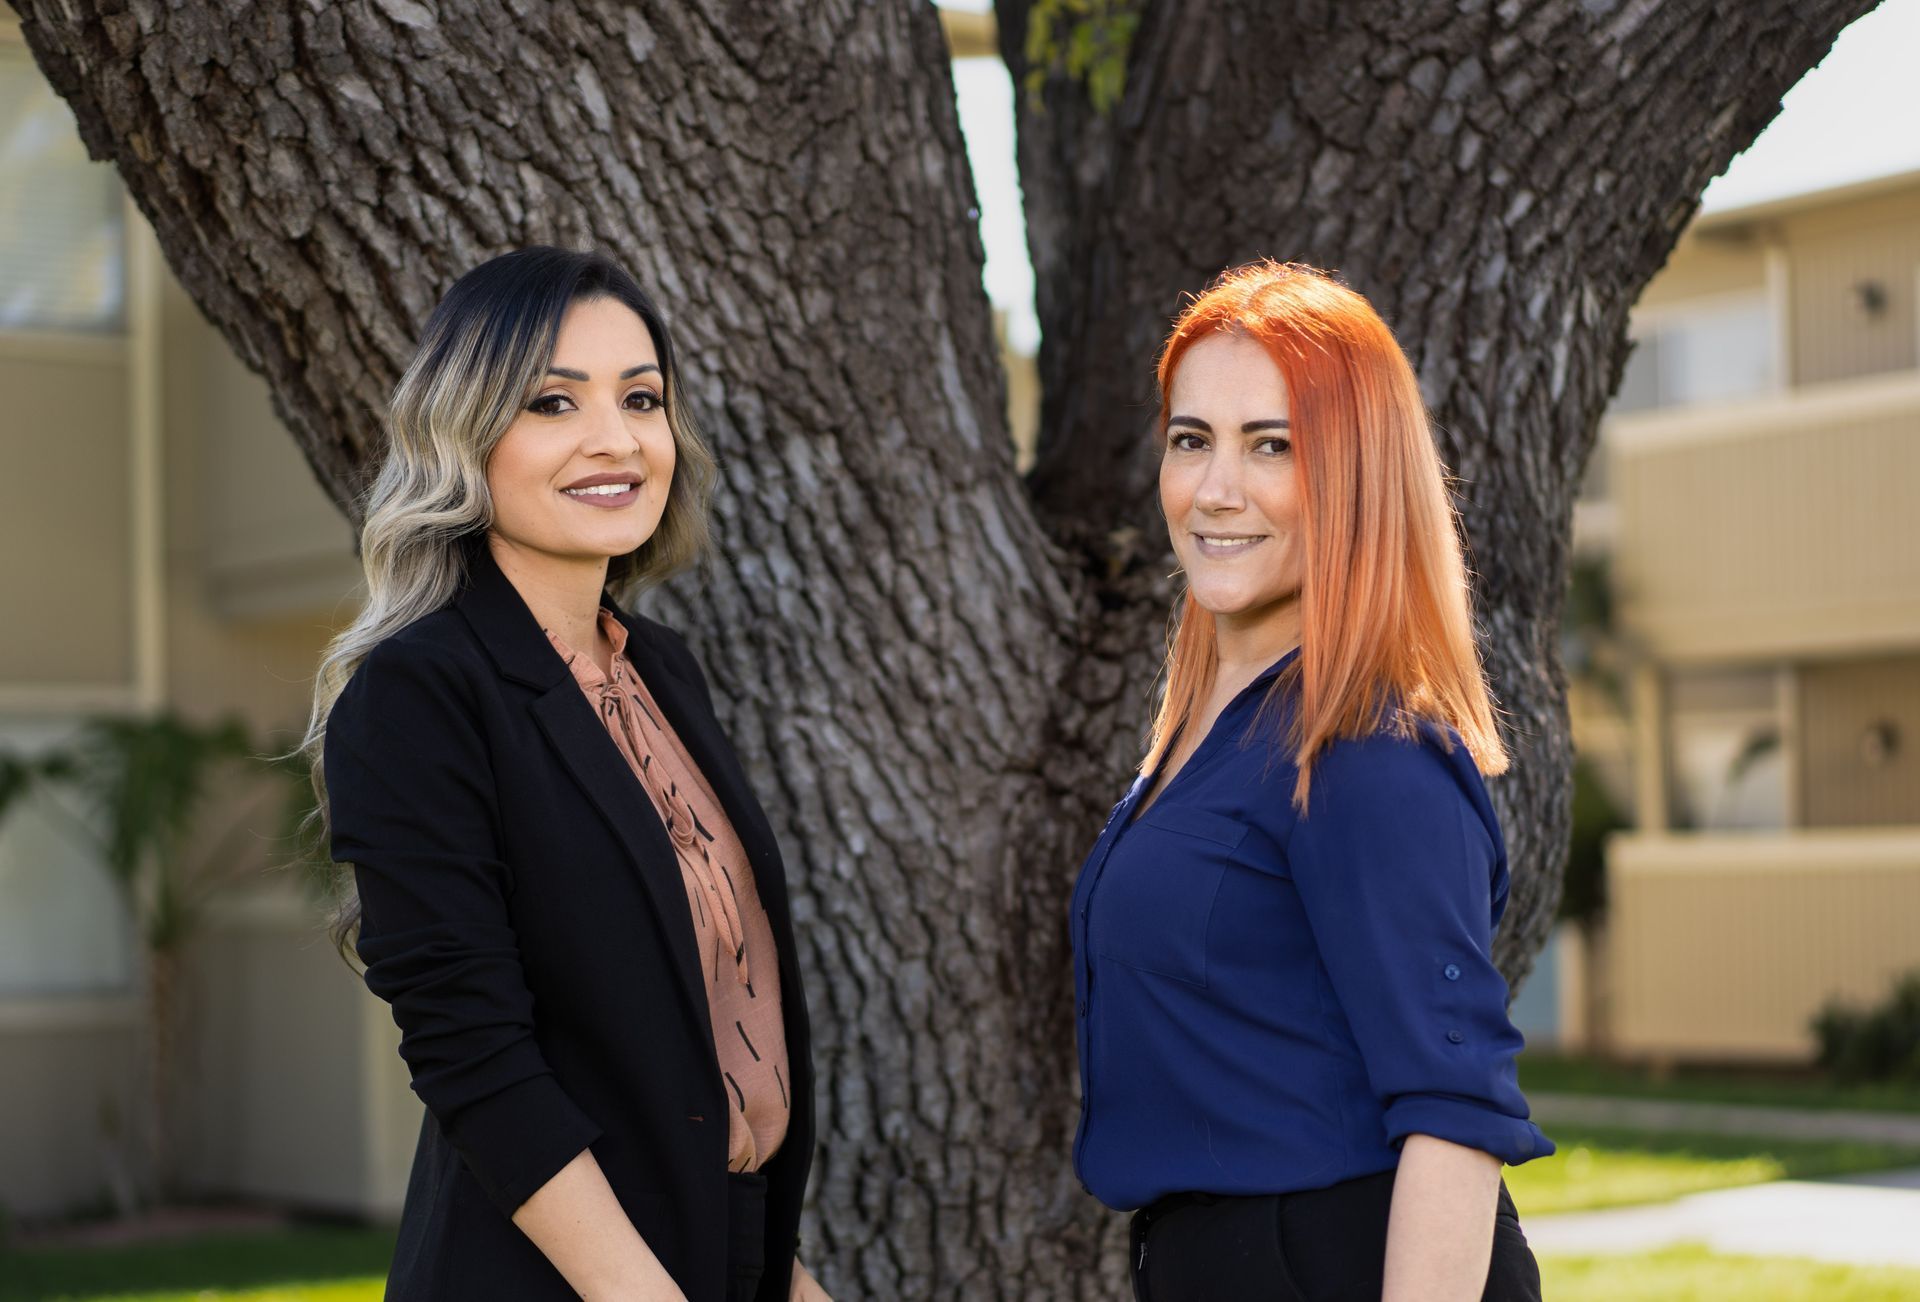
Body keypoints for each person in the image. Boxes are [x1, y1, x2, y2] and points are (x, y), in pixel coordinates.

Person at [303, 248, 827, 1302]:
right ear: (466, 436)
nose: (616, 439)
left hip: (725, 1245)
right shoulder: (420, 693)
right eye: (553, 402)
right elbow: (476, 1062)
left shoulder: (661, 671)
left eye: (642, 398)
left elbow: (691, 1041)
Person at [1068, 261, 1553, 1301]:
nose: (1216, 489)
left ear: (1355, 475)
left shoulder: (1366, 750)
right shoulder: (1215, 731)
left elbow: (1456, 1120)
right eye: (1191, 439)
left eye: (1272, 445)